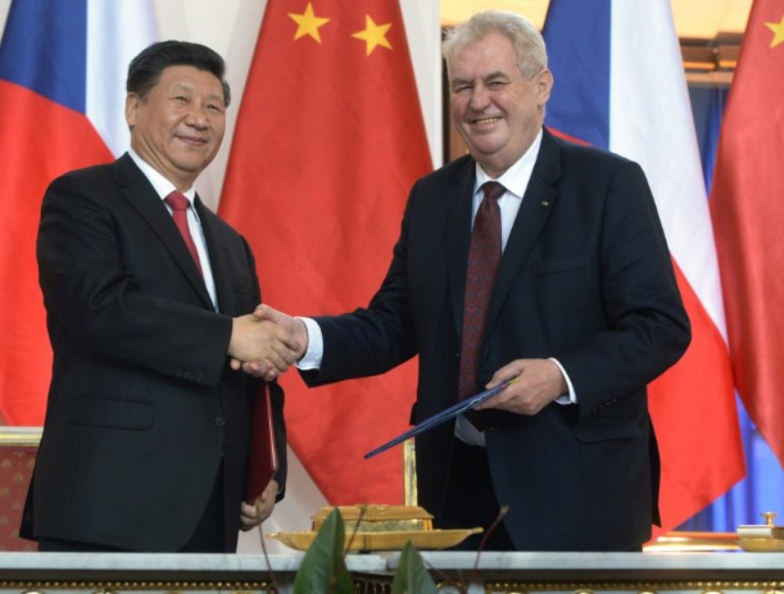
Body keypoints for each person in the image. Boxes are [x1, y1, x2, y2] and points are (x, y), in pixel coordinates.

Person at [250, 11, 690, 551]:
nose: (478, 101)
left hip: (579, 493)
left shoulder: (607, 184)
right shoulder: (433, 199)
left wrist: (558, 375)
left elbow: (660, 326)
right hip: (455, 494)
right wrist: (303, 337)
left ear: (541, 87)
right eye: (463, 86)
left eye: (496, 82)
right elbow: (394, 324)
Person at [19, 41, 301, 553]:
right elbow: (98, 309)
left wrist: (268, 468)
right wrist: (228, 335)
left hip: (212, 509)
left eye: (214, 106)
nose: (199, 118)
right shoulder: (82, 198)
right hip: (109, 504)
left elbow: (256, 368)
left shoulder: (231, 244)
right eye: (182, 100)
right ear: (133, 108)